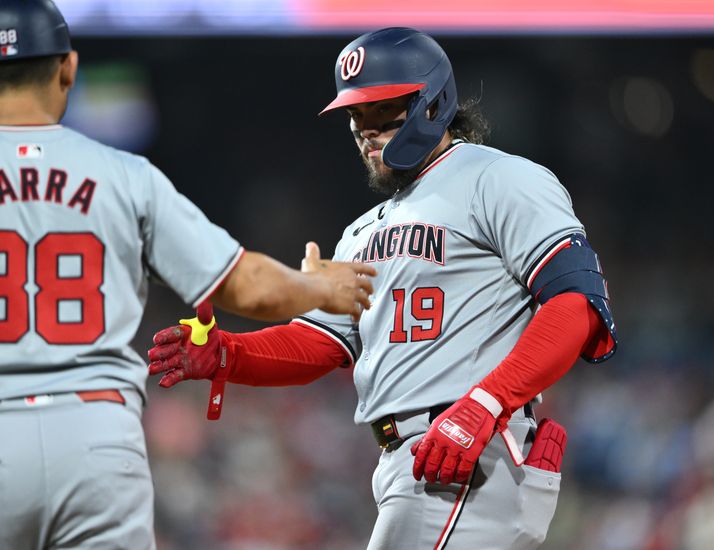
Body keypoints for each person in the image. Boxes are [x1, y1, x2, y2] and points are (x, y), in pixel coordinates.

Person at [149, 27, 617, 549]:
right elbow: (325, 343)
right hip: (411, 460)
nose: (364, 130)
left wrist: (487, 403)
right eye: (355, 115)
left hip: (468, 450)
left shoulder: (499, 179)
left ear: (433, 103)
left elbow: (576, 305)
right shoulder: (361, 231)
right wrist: (228, 354)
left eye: (380, 110)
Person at [0, 1, 377, 549]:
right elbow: (245, 286)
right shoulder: (123, 176)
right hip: (95, 437)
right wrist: (320, 286)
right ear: (67, 69)